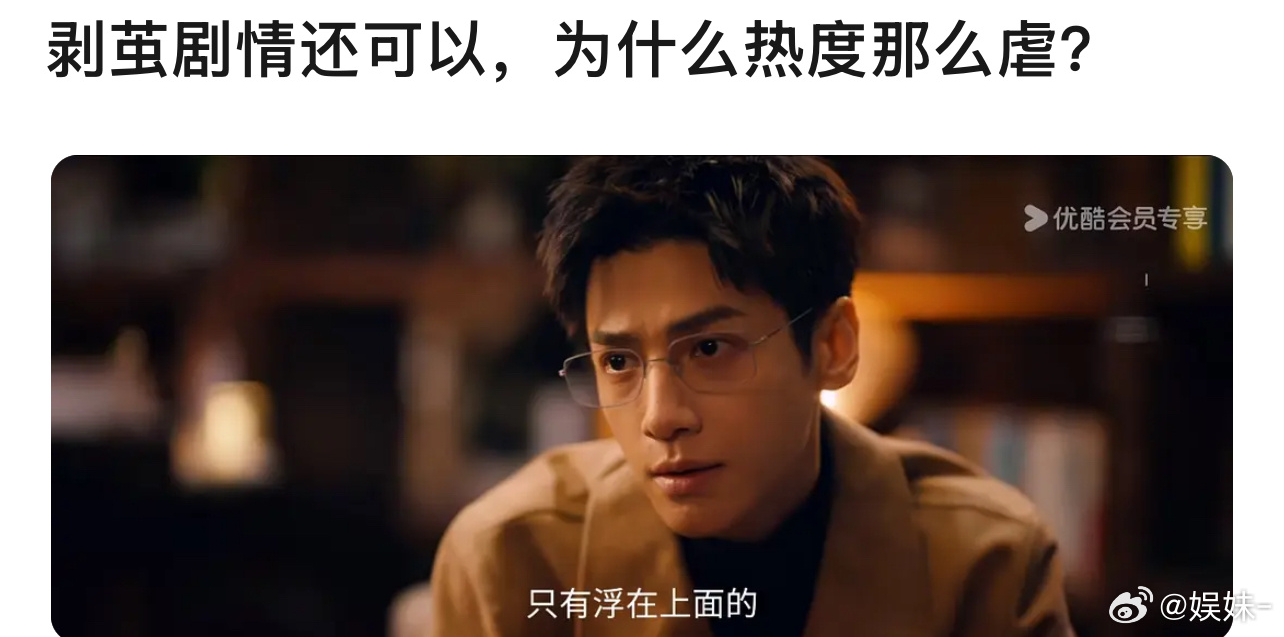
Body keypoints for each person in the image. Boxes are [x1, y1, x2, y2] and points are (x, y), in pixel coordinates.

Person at [425, 156, 1076, 637]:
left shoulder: (984, 562)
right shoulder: (513, 558)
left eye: (710, 349)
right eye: (618, 362)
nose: (660, 417)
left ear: (834, 345)